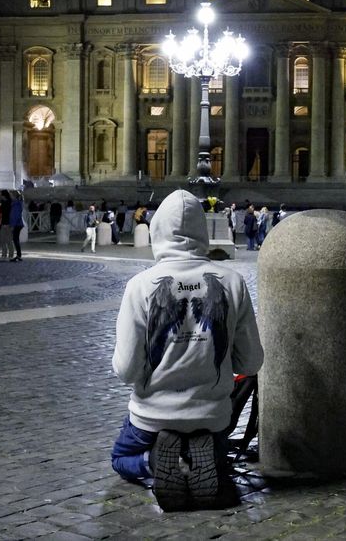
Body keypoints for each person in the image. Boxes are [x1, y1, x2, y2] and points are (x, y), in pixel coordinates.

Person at [109, 189, 263, 510]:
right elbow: (251, 361)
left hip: (153, 416)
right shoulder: (231, 281)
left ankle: (156, 461)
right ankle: (203, 457)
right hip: (212, 416)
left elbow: (125, 369)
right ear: (203, 232)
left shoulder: (142, 285)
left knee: (121, 458)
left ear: (157, 231)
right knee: (214, 449)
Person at [8, 191, 25, 262]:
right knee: (15, 240)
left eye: (11, 195)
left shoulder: (16, 204)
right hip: (17, 224)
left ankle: (19, 255)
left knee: (15, 240)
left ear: (14, 196)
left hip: (17, 224)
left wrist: (13, 225)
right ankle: (18, 255)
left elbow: (15, 216)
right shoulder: (16, 203)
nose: (10, 196)